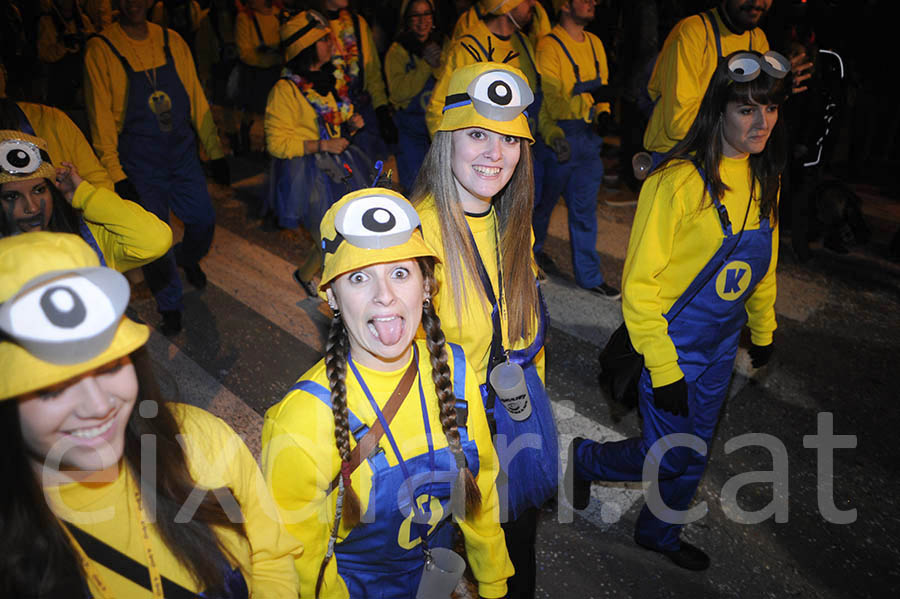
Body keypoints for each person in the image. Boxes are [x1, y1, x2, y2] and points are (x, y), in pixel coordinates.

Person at [567, 49, 790, 571]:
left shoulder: (764, 180)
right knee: (671, 453)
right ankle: (585, 458)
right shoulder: (675, 184)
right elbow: (640, 288)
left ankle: (659, 534)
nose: (762, 122)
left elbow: (763, 266)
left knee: (695, 449)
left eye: (771, 109)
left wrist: (763, 330)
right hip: (671, 343)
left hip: (720, 344)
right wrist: (664, 368)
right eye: (747, 110)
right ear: (719, 111)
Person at [0, 231, 303, 598]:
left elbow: (272, 555)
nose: (98, 406)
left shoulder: (199, 439)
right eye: (52, 388)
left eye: (110, 366)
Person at [262, 188, 513, 598]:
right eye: (359, 278)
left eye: (400, 272)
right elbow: (295, 563)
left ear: (427, 284)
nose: (385, 295)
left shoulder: (456, 370)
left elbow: (480, 485)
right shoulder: (302, 417)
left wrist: (493, 582)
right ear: (331, 297)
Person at [412, 62, 558, 599]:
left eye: (509, 139)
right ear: (445, 139)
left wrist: (532, 419)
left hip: (511, 429)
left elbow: (523, 333)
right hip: (451, 444)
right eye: (477, 134)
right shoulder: (415, 237)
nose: (496, 154)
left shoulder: (512, 221)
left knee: (518, 561)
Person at [83, 0, 231, 336]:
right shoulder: (101, 49)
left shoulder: (172, 41)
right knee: (156, 240)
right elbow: (100, 118)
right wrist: (116, 175)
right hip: (139, 163)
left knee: (203, 219)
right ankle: (170, 305)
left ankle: (189, 257)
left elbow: (195, 96)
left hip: (181, 155)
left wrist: (215, 150)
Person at [264, 9, 372, 298]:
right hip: (307, 174)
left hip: (336, 166)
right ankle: (345, 301)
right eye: (324, 41)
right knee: (333, 238)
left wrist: (350, 122)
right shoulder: (284, 90)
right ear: (306, 47)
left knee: (337, 232)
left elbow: (333, 117)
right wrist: (321, 145)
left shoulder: (327, 80)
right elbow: (276, 143)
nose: (332, 45)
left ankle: (303, 275)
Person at [643, 0, 811, 162]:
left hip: (725, 156)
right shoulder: (693, 33)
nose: (757, 2)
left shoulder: (757, 38)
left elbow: (755, 113)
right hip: (679, 158)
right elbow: (678, 125)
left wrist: (778, 91)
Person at [533, 0, 619, 299]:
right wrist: (590, 92)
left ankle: (589, 276)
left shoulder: (595, 43)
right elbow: (552, 100)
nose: (593, 3)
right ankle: (530, 258)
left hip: (587, 138)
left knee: (584, 212)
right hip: (557, 135)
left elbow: (603, 88)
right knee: (541, 207)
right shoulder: (549, 46)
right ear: (565, 5)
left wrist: (604, 112)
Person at [0, 129, 171, 272]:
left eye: (39, 190)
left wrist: (85, 195)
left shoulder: (88, 236)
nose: (32, 207)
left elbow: (154, 241)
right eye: (12, 196)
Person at [318, 0, 397, 162]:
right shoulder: (310, 25)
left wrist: (381, 110)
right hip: (326, 120)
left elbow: (373, 73)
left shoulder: (357, 23)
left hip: (362, 115)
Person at [384, 0, 445, 193]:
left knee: (442, 187)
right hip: (410, 132)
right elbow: (398, 93)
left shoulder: (445, 43)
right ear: (407, 20)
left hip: (439, 129)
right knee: (416, 188)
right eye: (415, 15)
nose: (422, 20)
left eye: (426, 14)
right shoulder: (397, 51)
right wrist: (426, 64)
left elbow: (449, 82)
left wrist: (437, 64)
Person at [0, 97, 115, 191]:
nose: (32, 208)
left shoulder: (50, 118)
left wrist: (81, 197)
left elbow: (99, 182)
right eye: (11, 197)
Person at [233, 0, 283, 154]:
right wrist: (267, 57)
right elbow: (244, 52)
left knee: (274, 112)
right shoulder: (245, 18)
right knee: (251, 111)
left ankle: (271, 146)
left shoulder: (279, 14)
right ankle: (245, 142)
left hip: (275, 71)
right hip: (255, 72)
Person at [37, 0, 94, 108]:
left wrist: (86, 41)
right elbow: (43, 54)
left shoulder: (83, 21)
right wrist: (63, 45)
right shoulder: (47, 21)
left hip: (82, 82)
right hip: (59, 84)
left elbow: (94, 47)